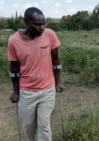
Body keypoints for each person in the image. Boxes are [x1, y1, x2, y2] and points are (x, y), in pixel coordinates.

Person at [7, 7, 64, 141]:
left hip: (47, 89)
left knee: (44, 124)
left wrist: (58, 81)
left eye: (44, 24)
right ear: (27, 22)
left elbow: (56, 60)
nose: (42, 27)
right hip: (27, 92)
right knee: (29, 126)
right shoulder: (14, 41)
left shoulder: (50, 34)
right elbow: (14, 69)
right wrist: (16, 91)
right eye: (38, 24)